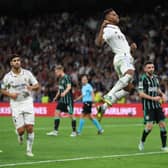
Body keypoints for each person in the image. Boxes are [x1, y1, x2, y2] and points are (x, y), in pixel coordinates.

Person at [95, 8, 137, 121]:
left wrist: (131, 49)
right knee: (130, 74)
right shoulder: (107, 29)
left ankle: (103, 107)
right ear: (107, 17)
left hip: (124, 57)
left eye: (116, 14)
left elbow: (122, 46)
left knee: (128, 88)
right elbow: (98, 43)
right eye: (114, 15)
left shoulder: (116, 28)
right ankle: (109, 95)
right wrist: (102, 27)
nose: (117, 16)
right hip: (122, 57)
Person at [1, 54, 40, 157]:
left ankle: (29, 150)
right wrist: (10, 94)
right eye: (14, 60)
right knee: (21, 131)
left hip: (27, 102)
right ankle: (19, 134)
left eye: (18, 60)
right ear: (11, 63)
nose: (17, 62)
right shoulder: (7, 77)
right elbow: (2, 89)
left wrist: (31, 88)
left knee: (30, 127)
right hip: (15, 104)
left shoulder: (27, 73)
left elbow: (37, 85)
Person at [138, 61, 168, 151]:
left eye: (152, 67)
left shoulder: (155, 78)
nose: (151, 69)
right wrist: (153, 98)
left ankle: (164, 146)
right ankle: (142, 142)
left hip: (157, 106)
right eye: (149, 67)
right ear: (145, 69)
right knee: (149, 127)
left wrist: (163, 95)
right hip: (148, 107)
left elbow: (157, 89)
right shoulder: (142, 79)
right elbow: (140, 93)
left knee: (163, 125)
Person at [46, 65, 77, 137]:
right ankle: (55, 131)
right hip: (62, 100)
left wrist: (64, 93)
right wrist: (56, 97)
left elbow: (69, 87)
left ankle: (74, 132)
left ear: (60, 70)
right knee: (56, 112)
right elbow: (60, 90)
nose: (55, 72)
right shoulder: (60, 79)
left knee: (71, 115)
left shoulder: (66, 77)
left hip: (68, 100)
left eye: (56, 71)